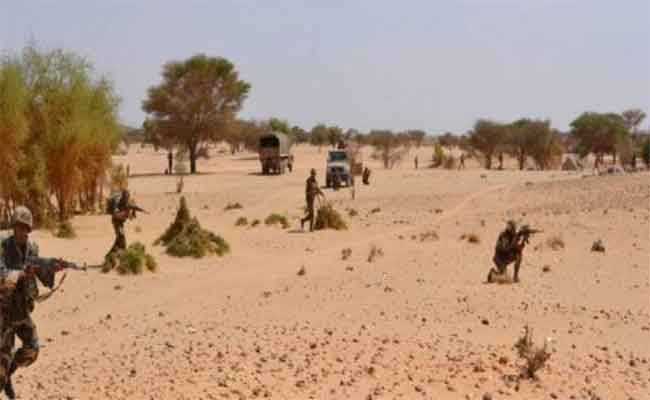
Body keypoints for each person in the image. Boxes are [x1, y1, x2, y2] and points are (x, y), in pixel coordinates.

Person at [0, 206, 61, 399]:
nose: (23, 232)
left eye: (26, 228)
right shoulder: (3, 246)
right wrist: (20, 273)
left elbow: (45, 280)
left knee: (32, 350)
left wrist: (51, 270)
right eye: (19, 227)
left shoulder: (33, 249)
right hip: (4, 313)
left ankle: (9, 373)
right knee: (2, 362)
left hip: (22, 312)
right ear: (13, 227)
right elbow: (1, 276)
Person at [105, 189, 132, 264]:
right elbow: (115, 214)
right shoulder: (117, 203)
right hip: (116, 222)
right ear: (123, 196)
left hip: (121, 223)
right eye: (125, 197)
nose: (126, 199)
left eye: (127, 197)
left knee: (120, 238)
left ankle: (111, 256)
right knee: (121, 237)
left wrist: (130, 213)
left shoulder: (127, 203)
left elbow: (130, 217)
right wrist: (124, 214)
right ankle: (115, 256)